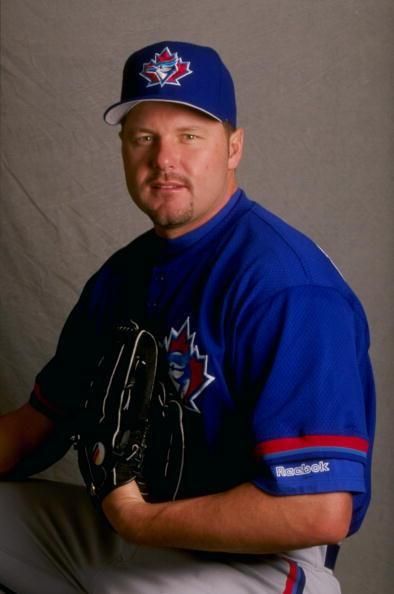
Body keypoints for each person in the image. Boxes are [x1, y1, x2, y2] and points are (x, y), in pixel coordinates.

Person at [0, 40, 375, 594]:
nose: (163, 159)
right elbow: (43, 422)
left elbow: (318, 509)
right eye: (144, 138)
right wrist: (132, 521)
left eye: (189, 136)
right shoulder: (120, 277)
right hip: (130, 526)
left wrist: (138, 520)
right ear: (124, 149)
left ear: (233, 147)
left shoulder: (287, 285)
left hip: (256, 561)